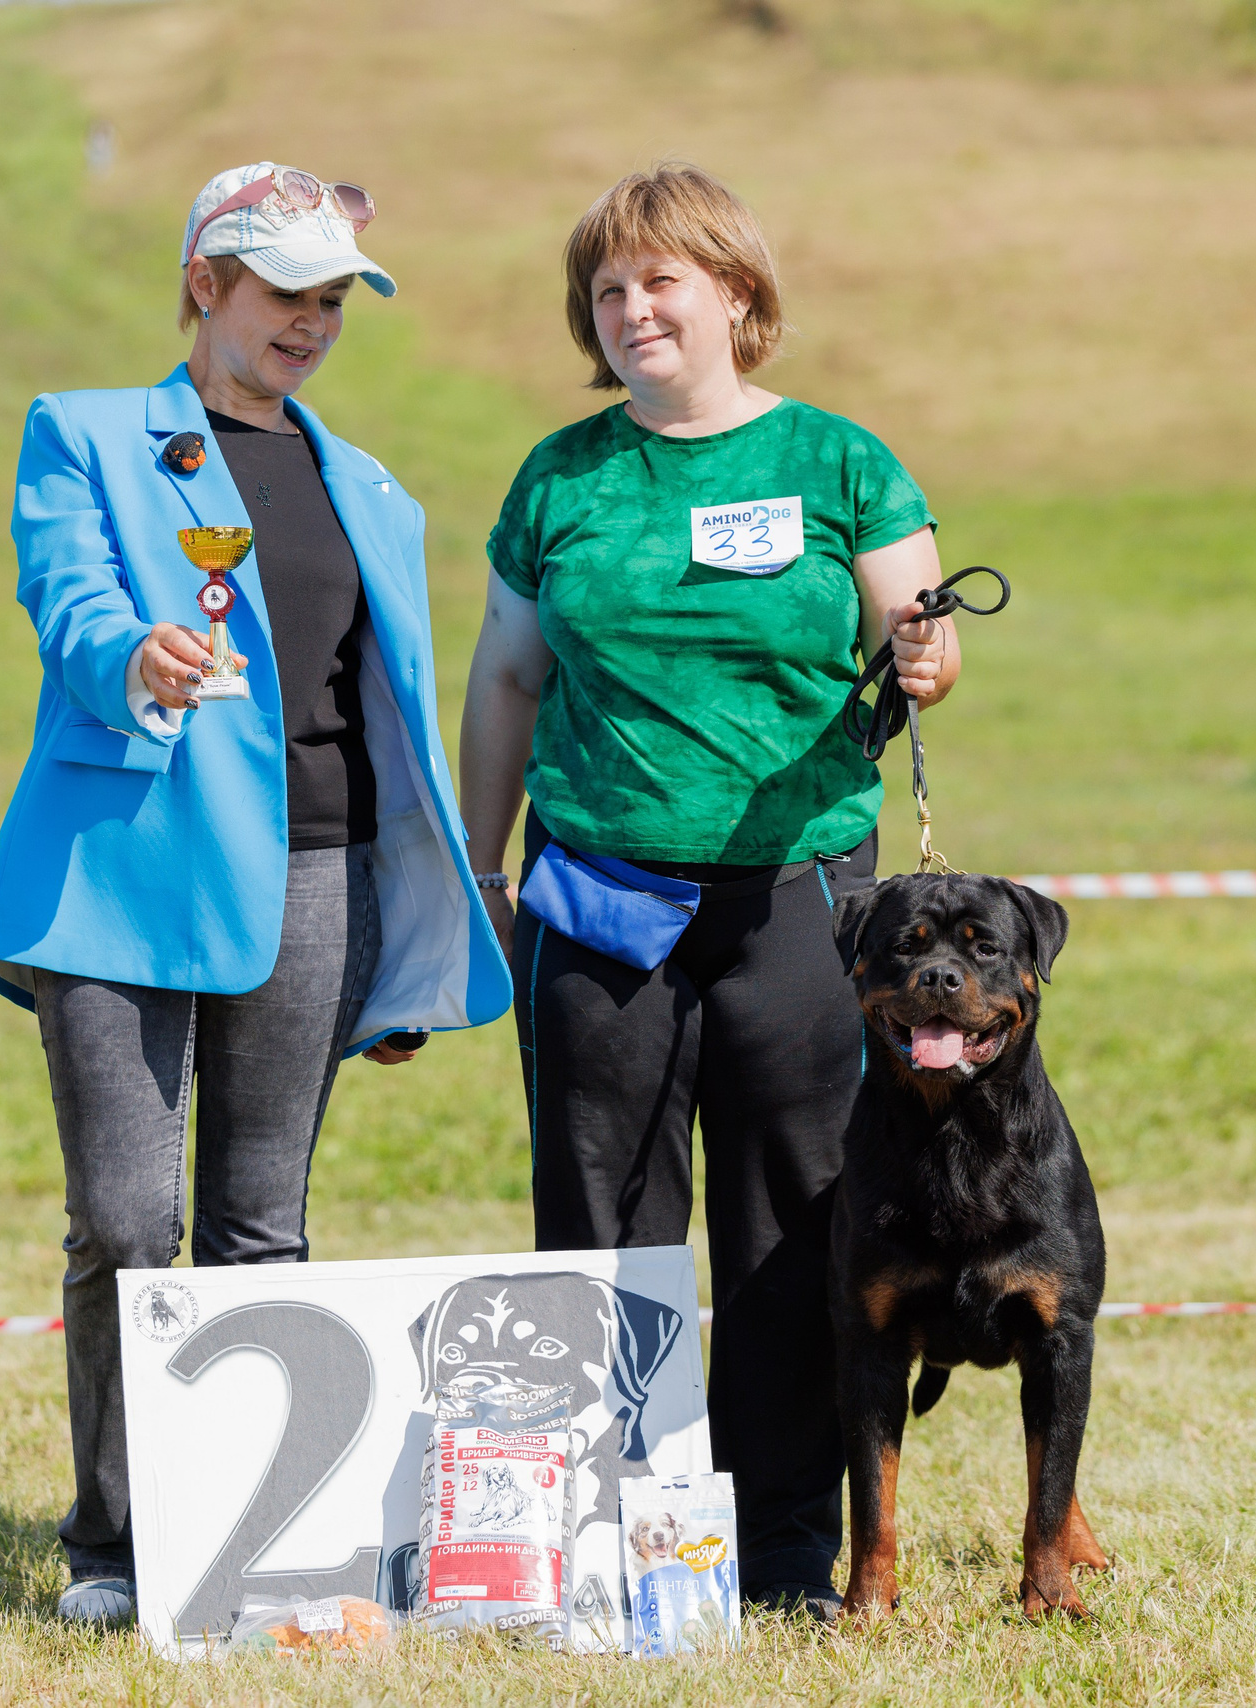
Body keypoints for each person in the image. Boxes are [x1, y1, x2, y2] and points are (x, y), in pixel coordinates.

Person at [0, 161, 510, 1626]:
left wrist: (404, 936)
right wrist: (131, 656)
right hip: (121, 881)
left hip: (319, 882)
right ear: (206, 286)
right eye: (286, 295)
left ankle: (237, 1550)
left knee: (262, 1224)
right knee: (128, 1227)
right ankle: (113, 1544)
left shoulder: (371, 486)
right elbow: (67, 599)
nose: (313, 324)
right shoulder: (82, 436)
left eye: (334, 301)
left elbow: (380, 714)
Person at [456, 164, 959, 1622]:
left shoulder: (840, 461)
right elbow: (503, 676)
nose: (630, 310)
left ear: (735, 294)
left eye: (659, 280)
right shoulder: (561, 476)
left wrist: (929, 656)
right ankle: (610, 1525)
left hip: (801, 900)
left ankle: (784, 1542)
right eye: (605, 292)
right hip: (599, 890)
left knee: (793, 1218)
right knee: (599, 1210)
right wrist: (484, 868)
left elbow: (917, 631)